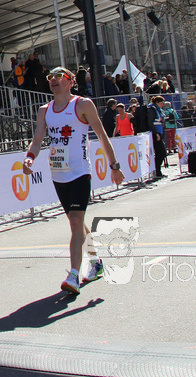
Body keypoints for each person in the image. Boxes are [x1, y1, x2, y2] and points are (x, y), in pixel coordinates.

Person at [22, 67, 125, 295]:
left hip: (80, 172)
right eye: (50, 77)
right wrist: (29, 157)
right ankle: (96, 262)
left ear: (70, 82)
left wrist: (114, 166)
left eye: (59, 77)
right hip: (58, 174)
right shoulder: (45, 110)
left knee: (76, 222)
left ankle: (74, 275)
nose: (54, 80)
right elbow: (37, 140)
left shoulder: (82, 105)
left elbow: (101, 135)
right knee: (76, 222)